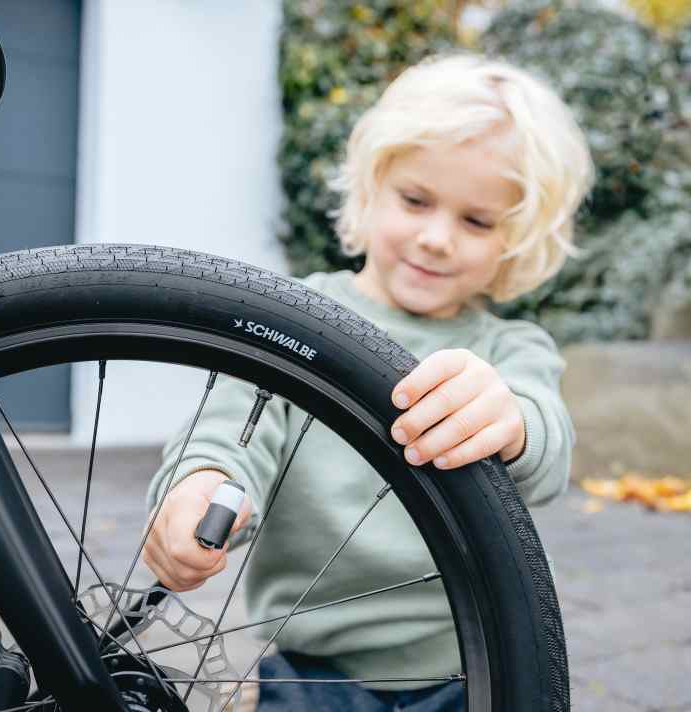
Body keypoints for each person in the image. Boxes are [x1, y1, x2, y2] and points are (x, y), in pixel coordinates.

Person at [143, 52, 594, 712]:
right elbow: (231, 428)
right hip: (315, 673)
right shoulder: (293, 318)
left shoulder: (509, 349)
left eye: (476, 221)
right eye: (415, 200)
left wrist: (512, 421)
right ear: (370, 189)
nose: (436, 238)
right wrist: (200, 485)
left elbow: (546, 445)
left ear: (517, 241)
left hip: (473, 666)